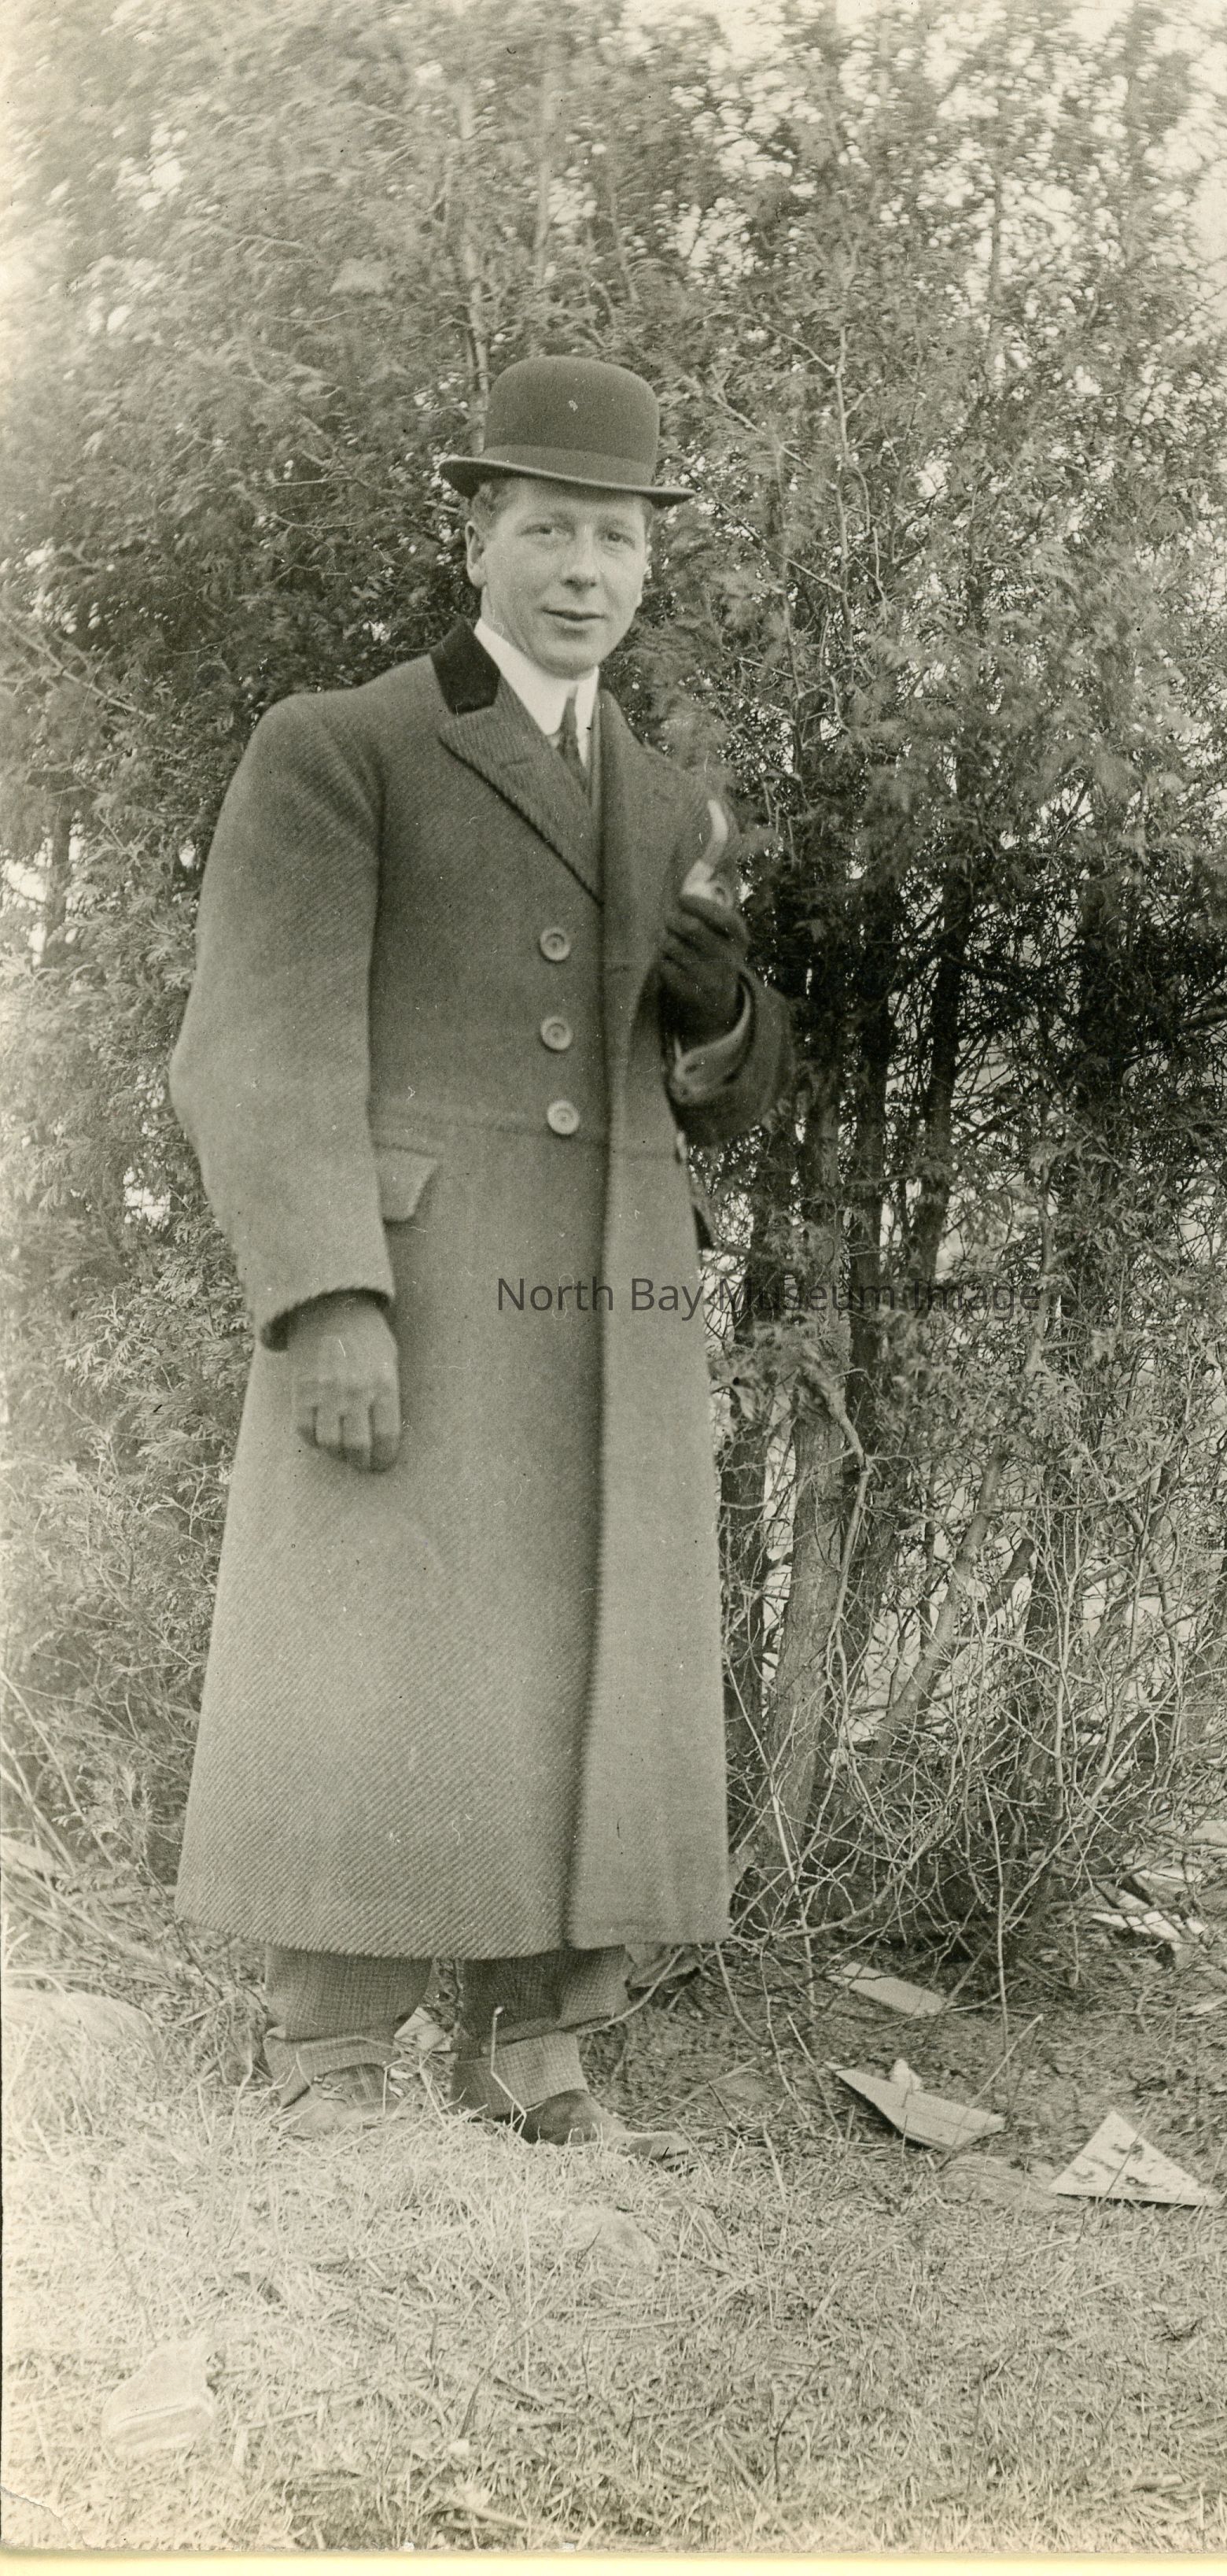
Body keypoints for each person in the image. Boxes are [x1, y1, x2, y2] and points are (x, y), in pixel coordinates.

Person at [169, 356, 792, 2142]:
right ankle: (330, 2054)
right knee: (375, 1632)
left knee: (580, 1641)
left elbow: (723, 1097)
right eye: (548, 530)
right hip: (414, 1293)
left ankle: (537, 2045)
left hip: (607, 1301)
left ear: (648, 562)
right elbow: (258, 1046)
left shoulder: (669, 801)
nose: (583, 568)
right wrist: (326, 1298)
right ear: (476, 539)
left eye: (615, 538)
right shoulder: (341, 745)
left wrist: (722, 1016)